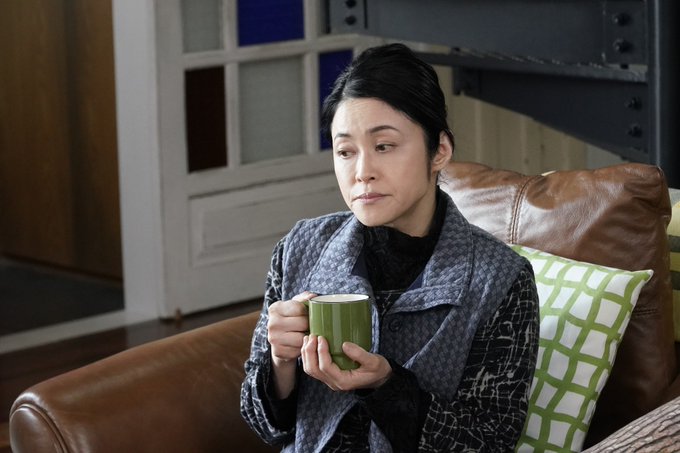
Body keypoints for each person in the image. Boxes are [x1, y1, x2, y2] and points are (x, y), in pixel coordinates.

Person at [240, 43, 539, 452]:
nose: (362, 172)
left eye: (384, 146)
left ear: (440, 150)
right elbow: (262, 425)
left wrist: (387, 386)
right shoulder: (299, 248)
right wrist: (280, 362)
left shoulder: (501, 280)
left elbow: (491, 441)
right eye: (346, 151)